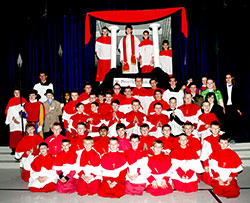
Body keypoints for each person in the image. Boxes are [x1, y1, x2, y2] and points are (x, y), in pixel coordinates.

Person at [209, 134, 243, 198]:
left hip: (229, 175)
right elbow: (213, 169)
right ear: (219, 143)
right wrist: (219, 180)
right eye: (222, 143)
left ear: (228, 143)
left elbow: (235, 170)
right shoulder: (215, 153)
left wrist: (230, 179)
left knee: (233, 192)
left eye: (225, 143)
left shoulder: (233, 154)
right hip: (219, 175)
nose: (223, 145)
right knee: (219, 191)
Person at [221, 73, 243, 142]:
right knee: (227, 124)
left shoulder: (236, 87)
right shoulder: (222, 88)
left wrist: (238, 109)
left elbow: (239, 99)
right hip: (226, 107)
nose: (228, 79)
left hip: (234, 107)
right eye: (226, 78)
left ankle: (234, 138)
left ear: (232, 78)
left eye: (229, 77)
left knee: (234, 124)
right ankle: (228, 139)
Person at [5, 87, 27, 154]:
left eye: (18, 93)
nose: (17, 94)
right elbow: (7, 111)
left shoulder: (23, 100)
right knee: (14, 135)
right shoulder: (11, 100)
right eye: (15, 93)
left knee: (21, 134)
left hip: (21, 121)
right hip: (13, 121)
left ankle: (21, 148)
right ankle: (14, 148)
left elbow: (25, 111)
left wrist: (20, 118)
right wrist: (13, 118)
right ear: (13, 93)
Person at [200, 121, 223, 186]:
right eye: (213, 128)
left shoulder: (223, 138)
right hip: (211, 161)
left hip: (221, 159)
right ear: (210, 129)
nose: (215, 130)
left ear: (219, 129)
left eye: (217, 128)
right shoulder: (207, 140)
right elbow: (204, 153)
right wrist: (206, 165)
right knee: (211, 181)